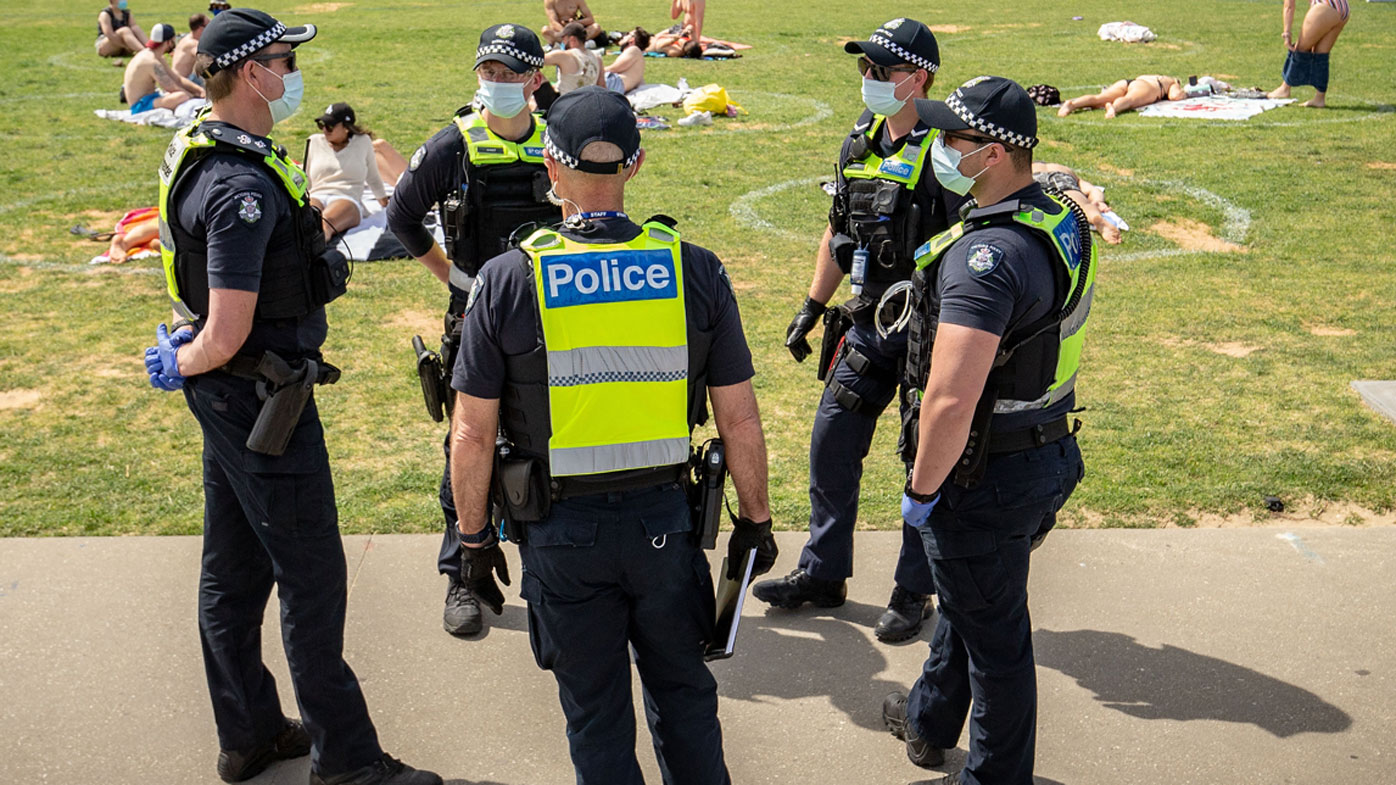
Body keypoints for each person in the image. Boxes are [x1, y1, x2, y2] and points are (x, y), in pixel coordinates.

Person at [141, 8, 441, 785]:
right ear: (250, 73)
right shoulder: (237, 184)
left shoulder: (213, 149)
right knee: (310, 578)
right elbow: (231, 325)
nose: (291, 72)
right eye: (282, 59)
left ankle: (249, 732)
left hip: (232, 396)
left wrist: (191, 350)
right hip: (260, 401)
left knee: (234, 570)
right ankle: (348, 761)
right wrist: (189, 356)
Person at [447, 85, 778, 785]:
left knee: (596, 717)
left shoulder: (509, 279)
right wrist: (756, 519)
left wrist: (472, 542)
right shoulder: (694, 268)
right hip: (666, 527)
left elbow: (471, 435)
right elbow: (739, 417)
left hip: (561, 535)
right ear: (636, 164)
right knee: (685, 698)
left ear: (550, 165)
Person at [879, 76, 1094, 785]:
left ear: (996, 154)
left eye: (953, 139)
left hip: (983, 473)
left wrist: (922, 488)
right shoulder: (1056, 216)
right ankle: (931, 718)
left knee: (997, 636)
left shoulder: (984, 258)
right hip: (1046, 448)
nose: (938, 147)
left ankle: (996, 775)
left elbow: (948, 400)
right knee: (981, 599)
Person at [753, 18, 963, 644]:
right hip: (869, 322)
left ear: (918, 79)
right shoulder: (859, 145)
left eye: (882, 70)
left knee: (919, 455)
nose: (869, 80)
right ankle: (823, 573)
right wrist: (811, 308)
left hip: (931, 332)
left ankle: (913, 588)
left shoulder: (949, 152)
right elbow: (838, 233)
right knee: (832, 441)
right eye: (865, 69)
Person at [386, 23, 561, 638]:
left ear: (536, 79)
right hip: (475, 318)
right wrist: (450, 276)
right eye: (488, 72)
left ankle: (552, 572)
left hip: (552, 320)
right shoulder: (450, 145)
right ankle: (462, 572)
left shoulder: (557, 137)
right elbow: (402, 215)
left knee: (548, 439)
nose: (498, 84)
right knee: (468, 442)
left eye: (511, 74)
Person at [306, 102, 390, 242]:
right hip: (317, 194)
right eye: (322, 125)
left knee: (326, 223)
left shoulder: (362, 142)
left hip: (346, 196)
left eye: (330, 126)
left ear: (346, 128)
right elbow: (306, 178)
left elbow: (373, 176)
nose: (325, 130)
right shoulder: (314, 142)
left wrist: (384, 202)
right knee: (306, 223)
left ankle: (315, 256)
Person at [1268, 0, 1350, 108]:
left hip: (1326, 6)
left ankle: (1285, 89)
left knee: (1299, 49)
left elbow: (1289, 6)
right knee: (1321, 54)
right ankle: (1319, 98)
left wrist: (1286, 33)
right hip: (1343, 7)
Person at [1031, 162, 1121, 245]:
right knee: (1083, 206)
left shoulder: (1030, 166)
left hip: (1034, 176)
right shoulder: (1064, 169)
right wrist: (1098, 201)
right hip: (1061, 177)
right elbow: (1093, 190)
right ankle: (1095, 217)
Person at [122, 23, 204, 113]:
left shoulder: (157, 57)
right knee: (182, 96)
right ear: (168, 42)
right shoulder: (151, 61)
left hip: (151, 98)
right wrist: (193, 96)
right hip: (140, 106)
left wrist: (200, 90)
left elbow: (177, 78)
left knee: (181, 95)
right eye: (173, 41)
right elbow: (170, 87)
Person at [1055, 74, 1184, 118]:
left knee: (1099, 98)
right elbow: (1175, 96)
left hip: (1129, 81)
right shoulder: (1172, 81)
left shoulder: (1156, 75)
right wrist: (1184, 93)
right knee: (1129, 100)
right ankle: (1114, 108)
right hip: (1149, 87)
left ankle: (1072, 104)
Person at [543, 21, 605, 94]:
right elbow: (602, 86)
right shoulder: (597, 58)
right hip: (588, 101)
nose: (562, 43)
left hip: (566, 102)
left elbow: (537, 60)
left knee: (537, 76)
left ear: (572, 39)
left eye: (564, 38)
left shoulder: (564, 56)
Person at [605, 27, 651, 93]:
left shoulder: (634, 50)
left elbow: (614, 69)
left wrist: (597, 70)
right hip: (615, 85)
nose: (623, 36)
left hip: (613, 83)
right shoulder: (637, 59)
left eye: (627, 34)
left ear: (631, 40)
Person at [173, 13, 209, 83]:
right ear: (201, 29)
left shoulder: (186, 38)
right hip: (182, 82)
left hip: (179, 79)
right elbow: (206, 59)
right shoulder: (192, 44)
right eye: (209, 26)